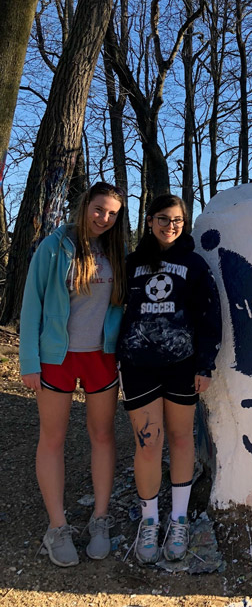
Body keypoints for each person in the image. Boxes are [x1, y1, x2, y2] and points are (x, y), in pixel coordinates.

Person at [20, 182, 127, 567]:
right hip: (56, 358)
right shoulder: (54, 248)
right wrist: (29, 361)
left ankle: (100, 518)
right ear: (85, 207)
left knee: (102, 434)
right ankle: (57, 526)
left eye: (113, 213)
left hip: (101, 356)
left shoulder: (118, 250)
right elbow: (32, 304)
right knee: (53, 437)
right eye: (99, 209)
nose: (105, 218)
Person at [116, 194, 221, 564]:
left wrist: (205, 364)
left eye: (177, 220)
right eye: (163, 219)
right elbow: (114, 310)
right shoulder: (131, 264)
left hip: (182, 365)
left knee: (179, 438)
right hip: (138, 365)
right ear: (149, 221)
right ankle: (149, 520)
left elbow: (210, 315)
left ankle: (178, 519)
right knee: (148, 443)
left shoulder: (194, 264)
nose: (170, 226)